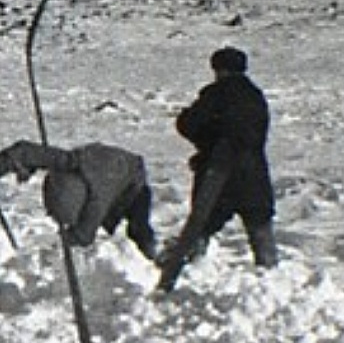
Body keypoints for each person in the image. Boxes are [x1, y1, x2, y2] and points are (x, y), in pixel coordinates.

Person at [156, 46, 277, 292]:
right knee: (260, 229)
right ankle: (273, 285)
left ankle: (171, 281)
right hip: (253, 173)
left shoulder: (216, 94)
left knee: (200, 227)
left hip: (219, 173)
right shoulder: (256, 97)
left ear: (218, 69)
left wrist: (207, 144)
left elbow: (188, 123)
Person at [0, 139, 157, 260]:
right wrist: (5, 162)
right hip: (108, 168)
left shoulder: (97, 199)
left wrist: (64, 247)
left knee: (138, 230)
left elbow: (84, 235)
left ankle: (151, 264)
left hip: (133, 187)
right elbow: (30, 153)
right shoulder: (70, 162)